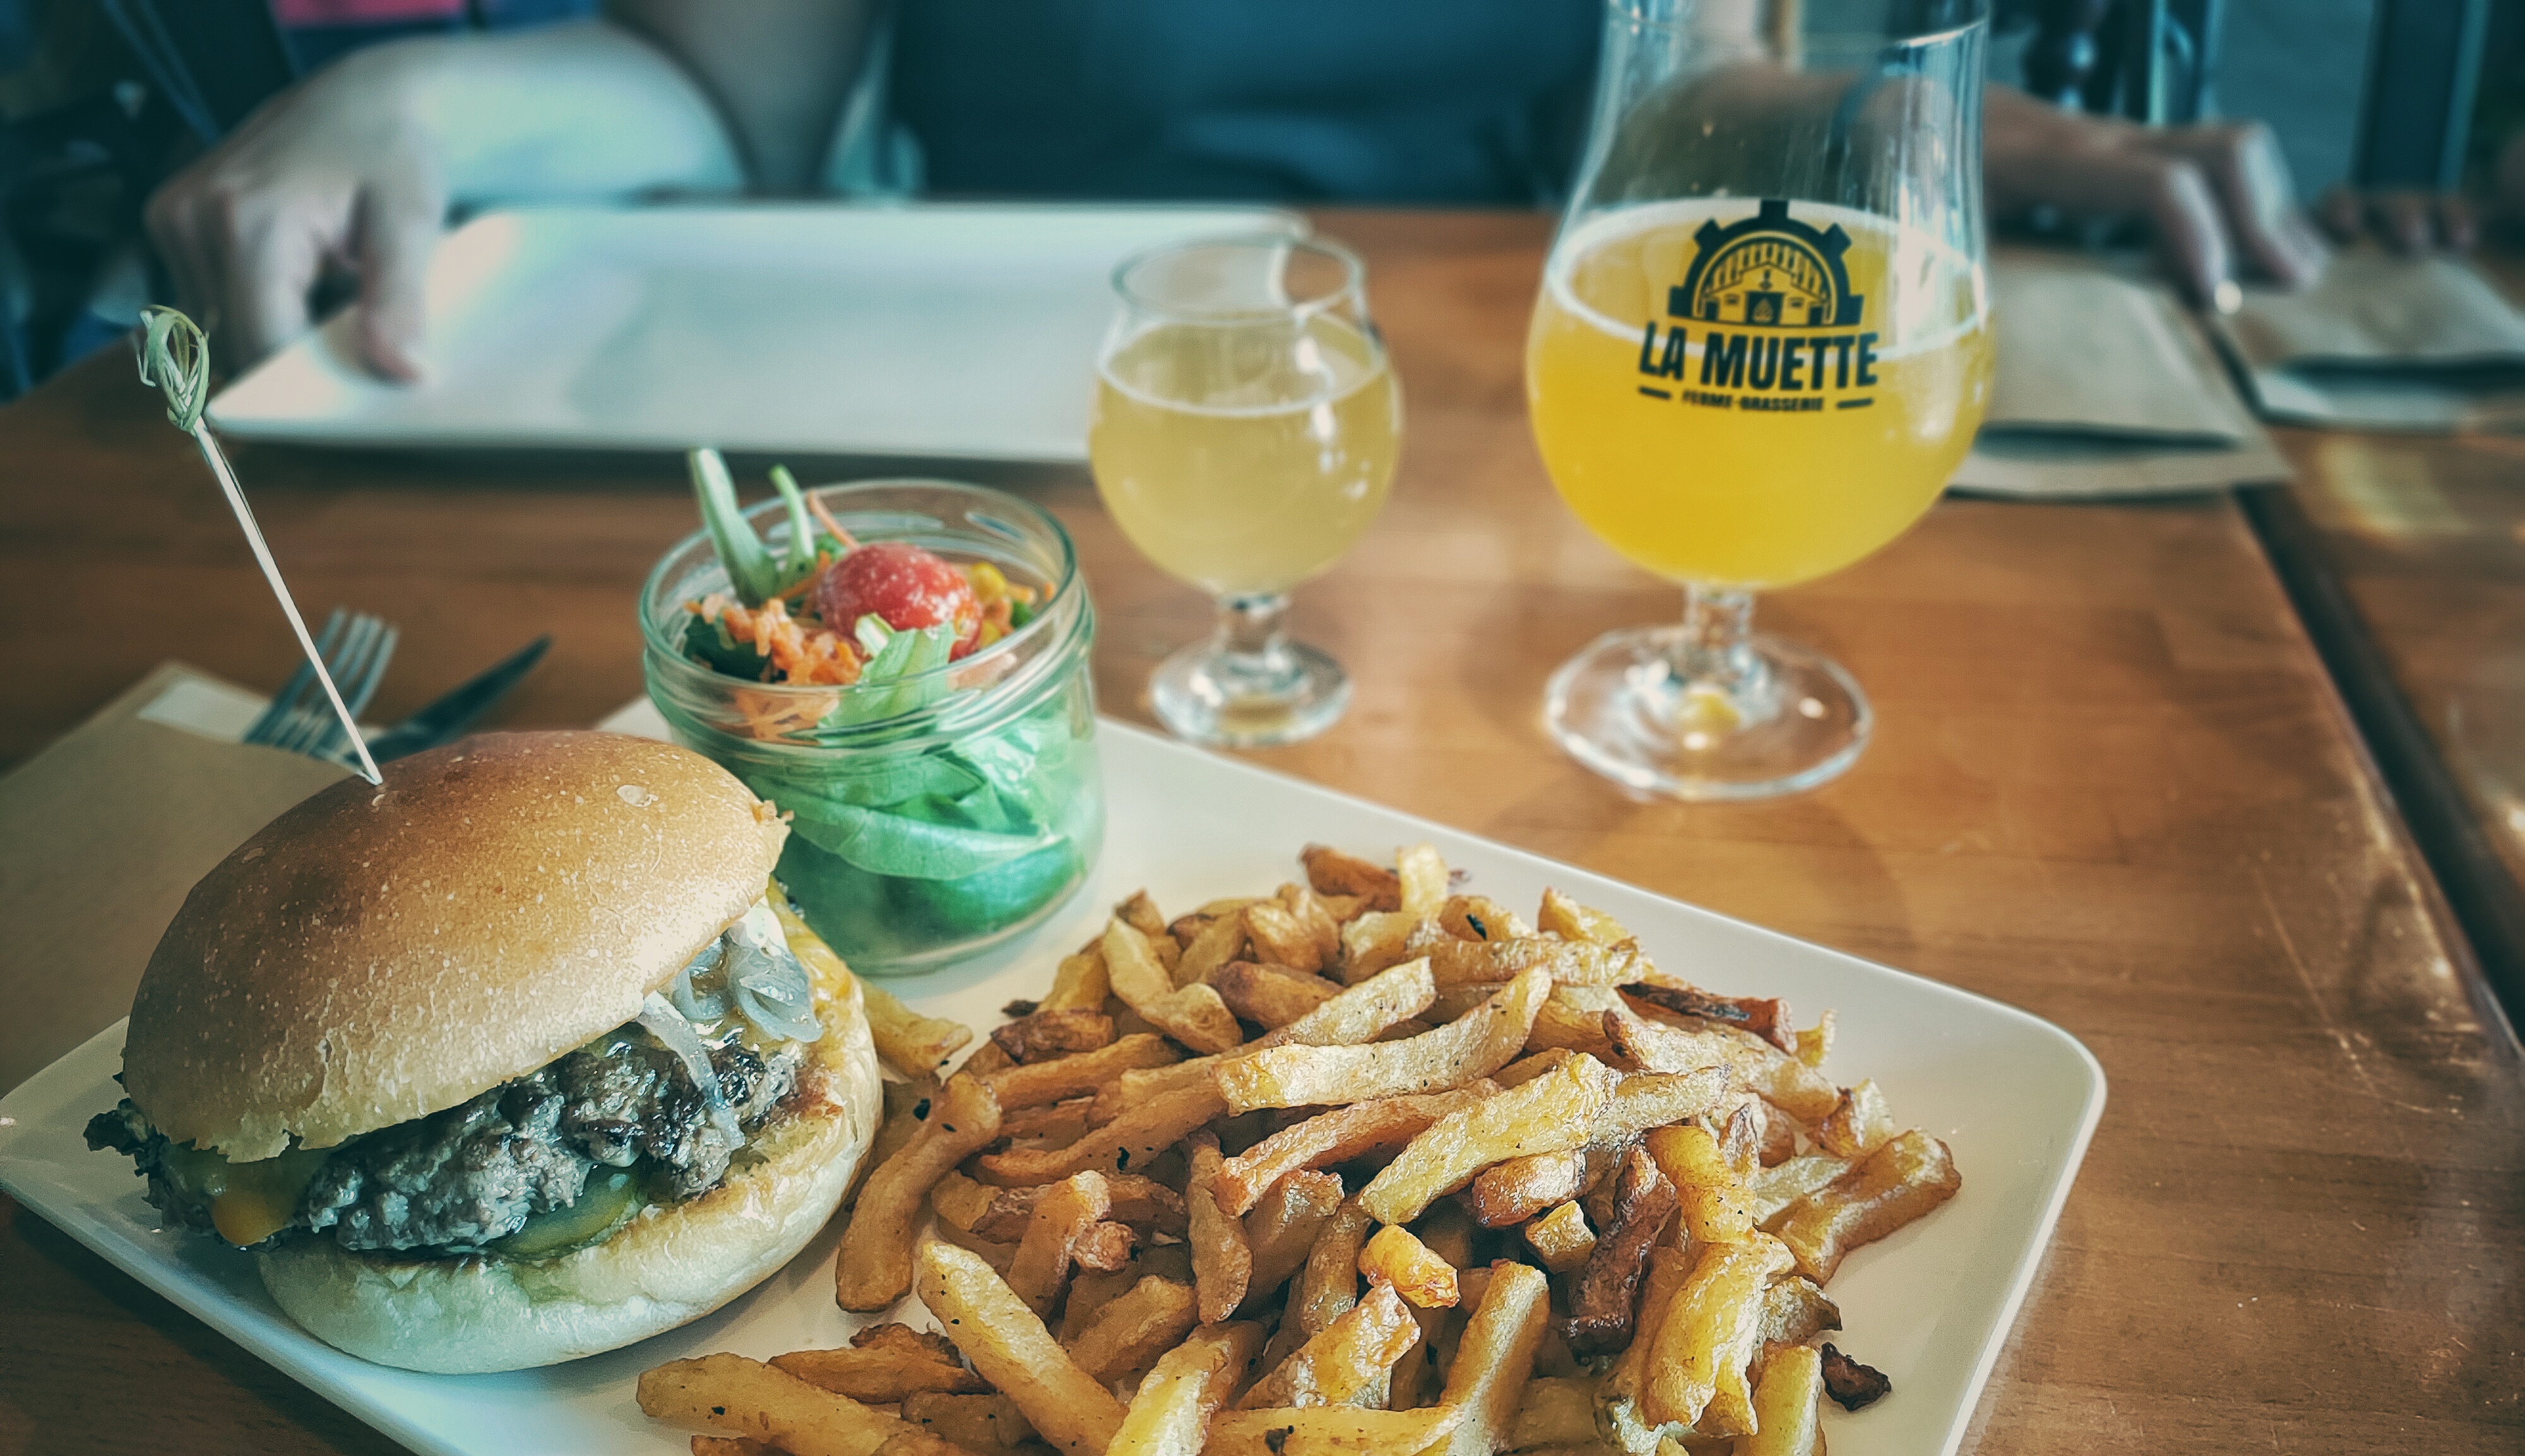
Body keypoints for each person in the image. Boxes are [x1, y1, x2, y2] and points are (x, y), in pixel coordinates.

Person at [141, 0, 2334, 382]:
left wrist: (2025, 152)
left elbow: (1707, 91)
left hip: (1496, 411)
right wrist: (421, 101)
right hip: (1036, 399)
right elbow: (725, 109)